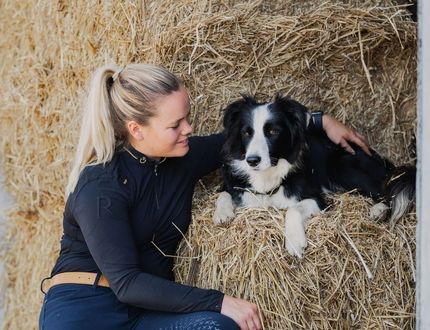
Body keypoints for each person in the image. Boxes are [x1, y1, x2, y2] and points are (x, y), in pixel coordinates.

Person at [38, 63, 371, 330]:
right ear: (137, 130)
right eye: (176, 124)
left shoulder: (182, 156)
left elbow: (248, 138)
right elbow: (127, 283)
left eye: (188, 117)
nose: (188, 129)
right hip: (84, 311)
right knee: (222, 313)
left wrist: (321, 121)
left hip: (145, 313)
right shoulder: (100, 185)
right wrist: (220, 300)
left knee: (217, 327)